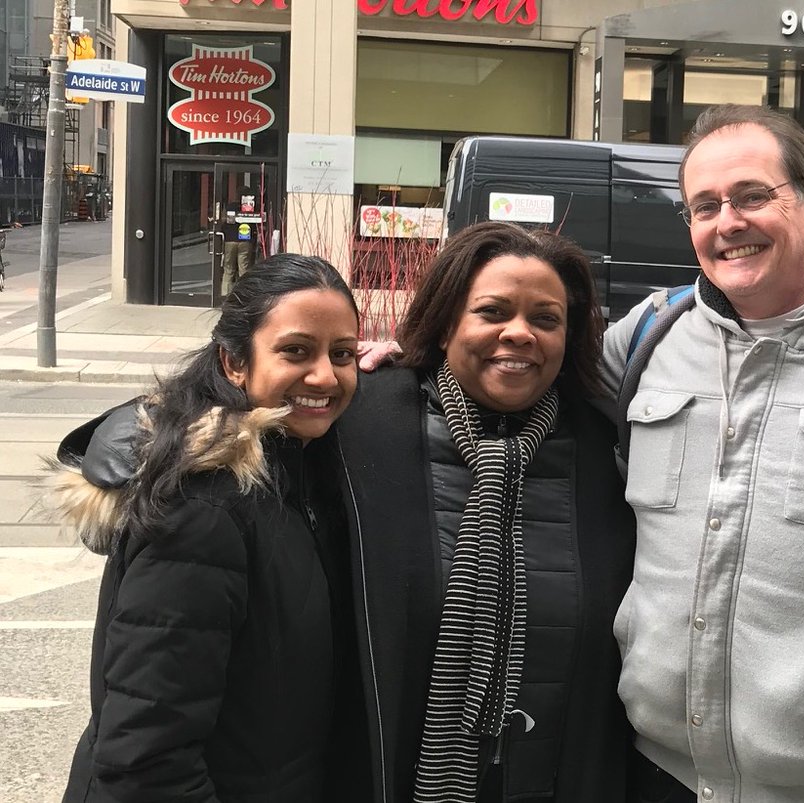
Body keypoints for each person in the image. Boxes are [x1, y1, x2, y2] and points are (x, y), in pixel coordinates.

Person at [599, 104, 804, 802]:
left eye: (754, 195)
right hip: (662, 772)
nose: (729, 221)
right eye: (705, 205)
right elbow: (513, 380)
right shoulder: (646, 340)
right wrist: (397, 370)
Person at [333, 221, 636, 802]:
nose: (519, 333)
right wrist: (121, 451)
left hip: (556, 778)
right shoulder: (365, 422)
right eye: (492, 312)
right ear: (448, 322)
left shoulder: (607, 447)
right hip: (394, 778)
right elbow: (233, 407)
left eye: (545, 319)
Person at [54, 254, 365, 803]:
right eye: (295, 351)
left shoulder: (297, 473)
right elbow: (145, 762)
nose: (325, 375)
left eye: (342, 354)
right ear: (234, 362)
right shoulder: (205, 509)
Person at [220, 185, 258, 297]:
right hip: (245, 241)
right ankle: (243, 296)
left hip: (230, 240)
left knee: (228, 270)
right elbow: (254, 224)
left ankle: (225, 296)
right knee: (244, 270)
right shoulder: (249, 208)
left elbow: (222, 222)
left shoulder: (229, 207)